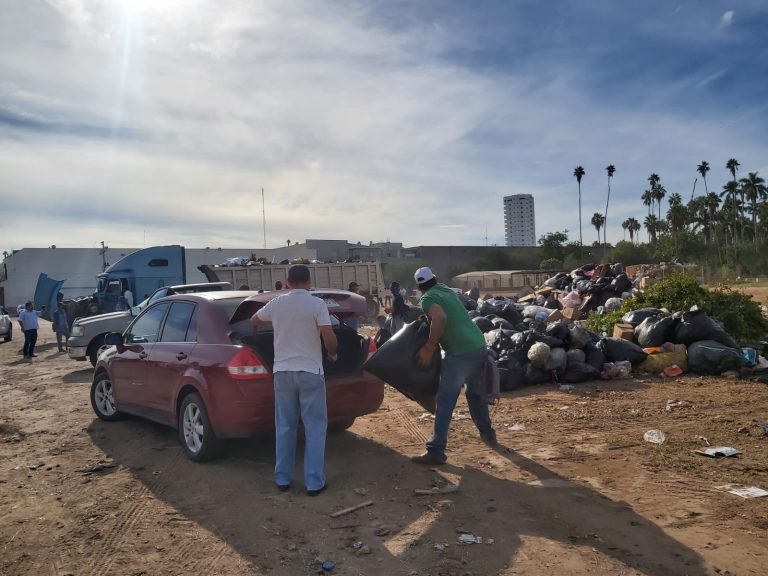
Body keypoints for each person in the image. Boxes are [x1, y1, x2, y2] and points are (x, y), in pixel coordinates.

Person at [251, 265, 338, 496]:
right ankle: (314, 482)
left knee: (285, 426)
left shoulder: (277, 303)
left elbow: (254, 320)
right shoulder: (317, 304)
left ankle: (282, 479)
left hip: (282, 373)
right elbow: (329, 337)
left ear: (287, 282)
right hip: (310, 371)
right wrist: (332, 352)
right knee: (315, 428)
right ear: (309, 282)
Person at [412, 266, 496, 465]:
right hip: (478, 345)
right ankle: (488, 433)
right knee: (475, 393)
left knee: (445, 401)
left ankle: (435, 450)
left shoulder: (427, 299)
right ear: (434, 279)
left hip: (459, 353)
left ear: (418, 286)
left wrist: (429, 346)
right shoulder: (446, 290)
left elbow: (440, 318)